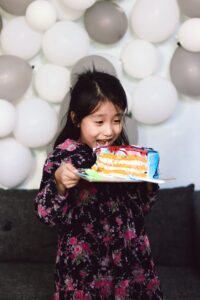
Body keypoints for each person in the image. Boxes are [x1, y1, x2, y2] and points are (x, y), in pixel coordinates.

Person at [35, 70, 164, 300]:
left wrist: (148, 184)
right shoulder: (63, 158)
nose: (109, 130)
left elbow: (142, 210)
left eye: (117, 120)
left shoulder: (124, 156)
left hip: (131, 264)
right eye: (99, 121)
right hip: (85, 270)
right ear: (76, 119)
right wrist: (59, 184)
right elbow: (46, 215)